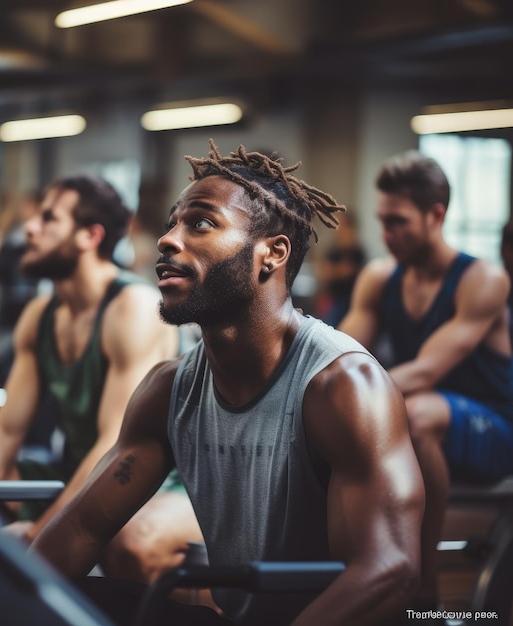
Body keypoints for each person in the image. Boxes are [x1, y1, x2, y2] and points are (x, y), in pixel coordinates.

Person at [32, 141, 425, 626]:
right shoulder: (168, 391)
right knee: (65, 597)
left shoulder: (342, 386)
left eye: (199, 223)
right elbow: (82, 528)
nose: (168, 239)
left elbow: (389, 571)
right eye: (172, 222)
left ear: (272, 253)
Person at [0, 175, 204, 573]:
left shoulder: (133, 309)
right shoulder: (41, 316)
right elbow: (4, 432)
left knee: (128, 544)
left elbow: (114, 445)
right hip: (80, 471)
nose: (30, 228)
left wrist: (38, 537)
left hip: (154, 482)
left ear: (90, 235)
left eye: (48, 219)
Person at [339, 150, 513, 613]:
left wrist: (344, 395)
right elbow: (339, 357)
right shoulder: (379, 277)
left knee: (418, 410)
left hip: (494, 432)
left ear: (436, 215)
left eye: (398, 222)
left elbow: (426, 372)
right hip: (420, 417)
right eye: (382, 221)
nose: (386, 234)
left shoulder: (484, 279)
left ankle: (423, 582)